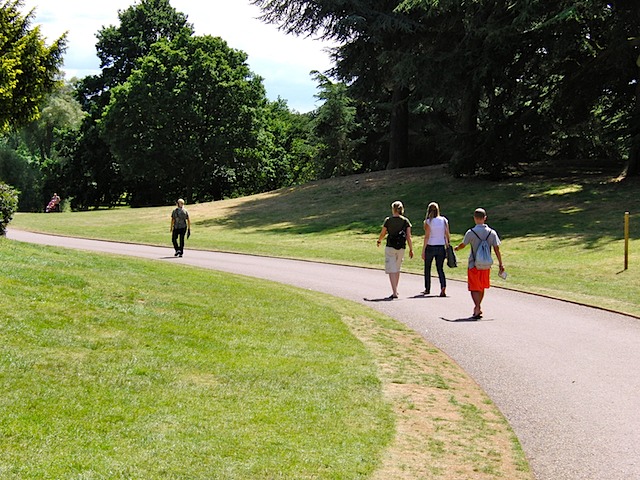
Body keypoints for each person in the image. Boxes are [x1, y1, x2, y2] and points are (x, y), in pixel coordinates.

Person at [454, 208, 504, 319]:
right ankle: (478, 307)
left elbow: (463, 244)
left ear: (475, 218)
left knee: (473, 287)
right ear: (485, 218)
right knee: (481, 287)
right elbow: (497, 249)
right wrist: (501, 264)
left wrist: (457, 248)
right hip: (486, 264)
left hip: (474, 264)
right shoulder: (492, 233)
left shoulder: (471, 232)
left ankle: (477, 307)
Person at [376, 200, 413, 299]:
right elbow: (409, 236)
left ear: (393, 209)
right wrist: (411, 249)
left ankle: (394, 291)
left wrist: (379, 240)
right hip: (401, 247)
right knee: (397, 268)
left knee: (391, 270)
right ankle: (395, 289)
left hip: (390, 246)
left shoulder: (388, 220)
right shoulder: (405, 221)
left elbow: (383, 233)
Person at [421, 202, 450, 297]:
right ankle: (443, 286)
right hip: (441, 245)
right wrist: (447, 245)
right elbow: (447, 234)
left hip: (431, 246)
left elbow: (427, 236)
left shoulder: (428, 222)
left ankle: (427, 288)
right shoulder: (444, 220)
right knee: (440, 268)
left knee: (427, 268)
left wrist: (423, 250)